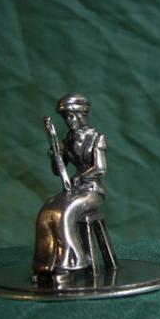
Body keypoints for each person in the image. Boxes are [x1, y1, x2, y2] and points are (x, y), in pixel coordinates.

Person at [33, 93, 111, 281]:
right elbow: (57, 171)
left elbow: (100, 168)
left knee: (65, 213)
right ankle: (46, 264)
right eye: (66, 118)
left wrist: (80, 177)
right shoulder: (67, 141)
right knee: (47, 211)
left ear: (82, 115)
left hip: (91, 191)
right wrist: (55, 156)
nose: (69, 121)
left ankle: (69, 265)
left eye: (71, 116)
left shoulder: (96, 138)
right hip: (73, 191)